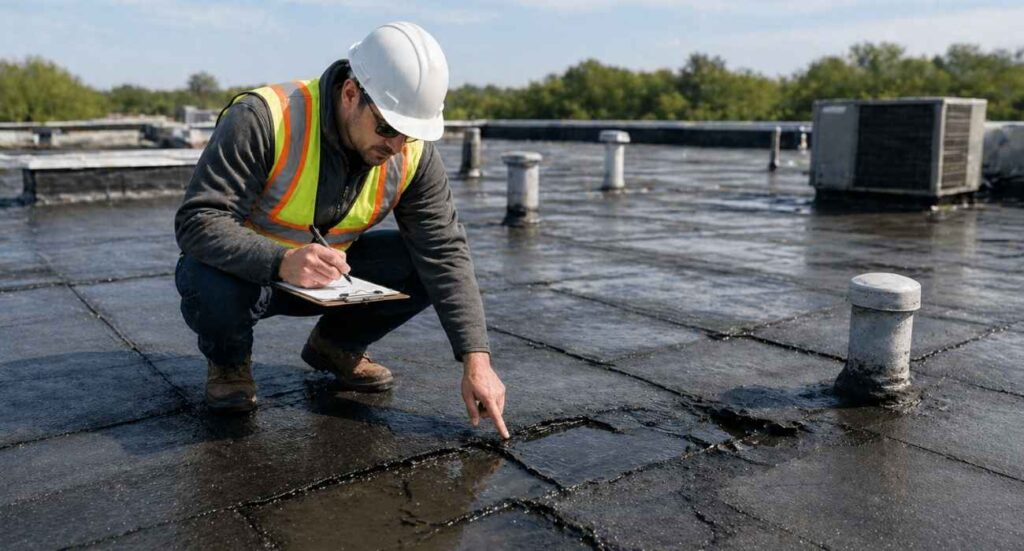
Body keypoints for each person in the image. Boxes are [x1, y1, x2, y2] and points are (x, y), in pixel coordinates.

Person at [173, 22, 508, 439]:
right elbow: (198, 220)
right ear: (351, 94)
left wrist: (477, 359)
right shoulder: (263, 119)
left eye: (410, 134)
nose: (396, 147)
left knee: (422, 262)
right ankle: (229, 363)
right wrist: (281, 260)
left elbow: (444, 250)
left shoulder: (409, 152)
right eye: (387, 128)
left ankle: (336, 347)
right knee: (207, 279)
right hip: (248, 276)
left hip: (330, 277)